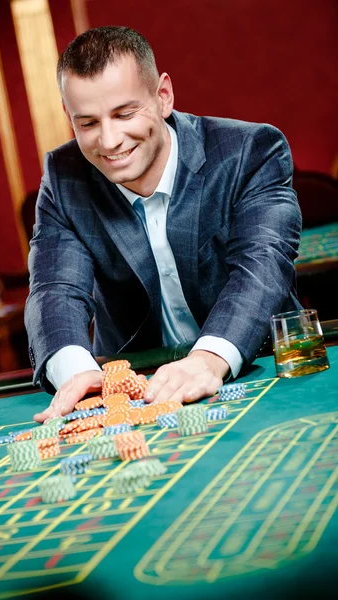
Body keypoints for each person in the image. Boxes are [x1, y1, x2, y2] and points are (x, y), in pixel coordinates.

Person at [25, 26, 302, 423]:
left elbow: (263, 266)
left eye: (124, 114)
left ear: (163, 96)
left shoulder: (249, 151)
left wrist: (208, 359)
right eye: (87, 123)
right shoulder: (63, 177)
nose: (109, 140)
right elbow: (55, 289)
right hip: (138, 394)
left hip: (257, 370)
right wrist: (76, 372)